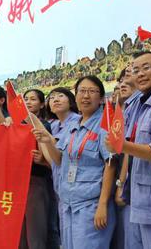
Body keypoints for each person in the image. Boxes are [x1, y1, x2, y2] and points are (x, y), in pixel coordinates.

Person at [34, 76, 116, 249]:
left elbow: (111, 164)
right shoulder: (74, 125)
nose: (86, 96)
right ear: (76, 95)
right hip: (69, 204)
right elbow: (59, 160)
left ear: (101, 98)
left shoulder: (104, 125)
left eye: (92, 91)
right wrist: (48, 141)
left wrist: (102, 205)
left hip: (91, 205)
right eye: (82, 91)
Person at [106, 51, 151, 248]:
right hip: (138, 195)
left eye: (146, 68)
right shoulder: (138, 103)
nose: (140, 74)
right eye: (135, 70)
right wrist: (122, 182)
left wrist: (121, 145)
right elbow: (130, 146)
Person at [20, 89, 60, 249]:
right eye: (26, 99)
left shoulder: (43, 125)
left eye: (33, 99)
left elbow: (49, 156)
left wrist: (42, 159)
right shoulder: (16, 125)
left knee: (36, 231)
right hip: (18, 184)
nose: (28, 102)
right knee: (20, 232)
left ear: (42, 104)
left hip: (36, 182)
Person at [112, 64, 143, 249]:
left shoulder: (141, 107)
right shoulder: (127, 109)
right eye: (122, 79)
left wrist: (121, 184)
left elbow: (129, 152)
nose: (123, 83)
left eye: (128, 75)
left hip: (134, 186)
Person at [45, 87, 80, 249]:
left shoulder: (77, 121)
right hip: (60, 187)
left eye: (61, 96)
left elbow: (59, 156)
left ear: (71, 101)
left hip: (77, 190)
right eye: (51, 98)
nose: (56, 99)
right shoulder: (53, 124)